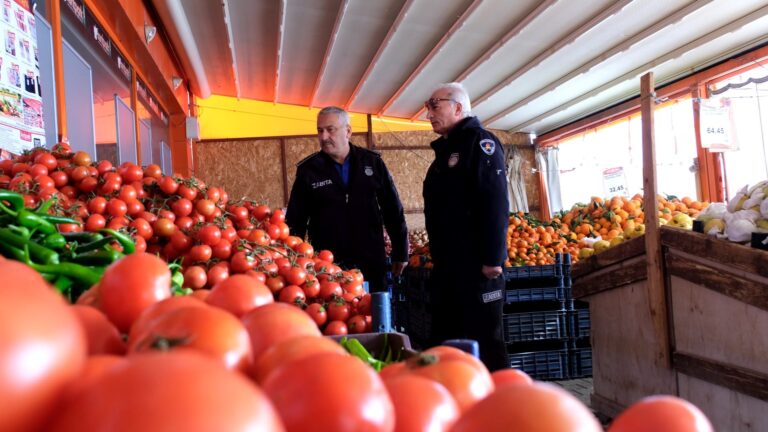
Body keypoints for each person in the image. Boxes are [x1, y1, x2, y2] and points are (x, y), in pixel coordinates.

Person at [422, 82, 510, 371]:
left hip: (477, 269)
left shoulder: (480, 144)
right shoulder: (445, 152)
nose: (429, 114)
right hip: (449, 269)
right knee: (449, 343)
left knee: (486, 344)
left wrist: (493, 259)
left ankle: (500, 407)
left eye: (435, 105)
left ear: (458, 107)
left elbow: (495, 200)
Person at [286, 106, 409, 292]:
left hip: (371, 259)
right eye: (320, 131)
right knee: (337, 314)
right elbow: (296, 220)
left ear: (348, 131)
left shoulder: (372, 162)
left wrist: (401, 251)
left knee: (374, 313)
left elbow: (392, 209)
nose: (324, 136)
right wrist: (293, 260)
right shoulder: (309, 170)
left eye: (330, 129)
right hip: (328, 263)